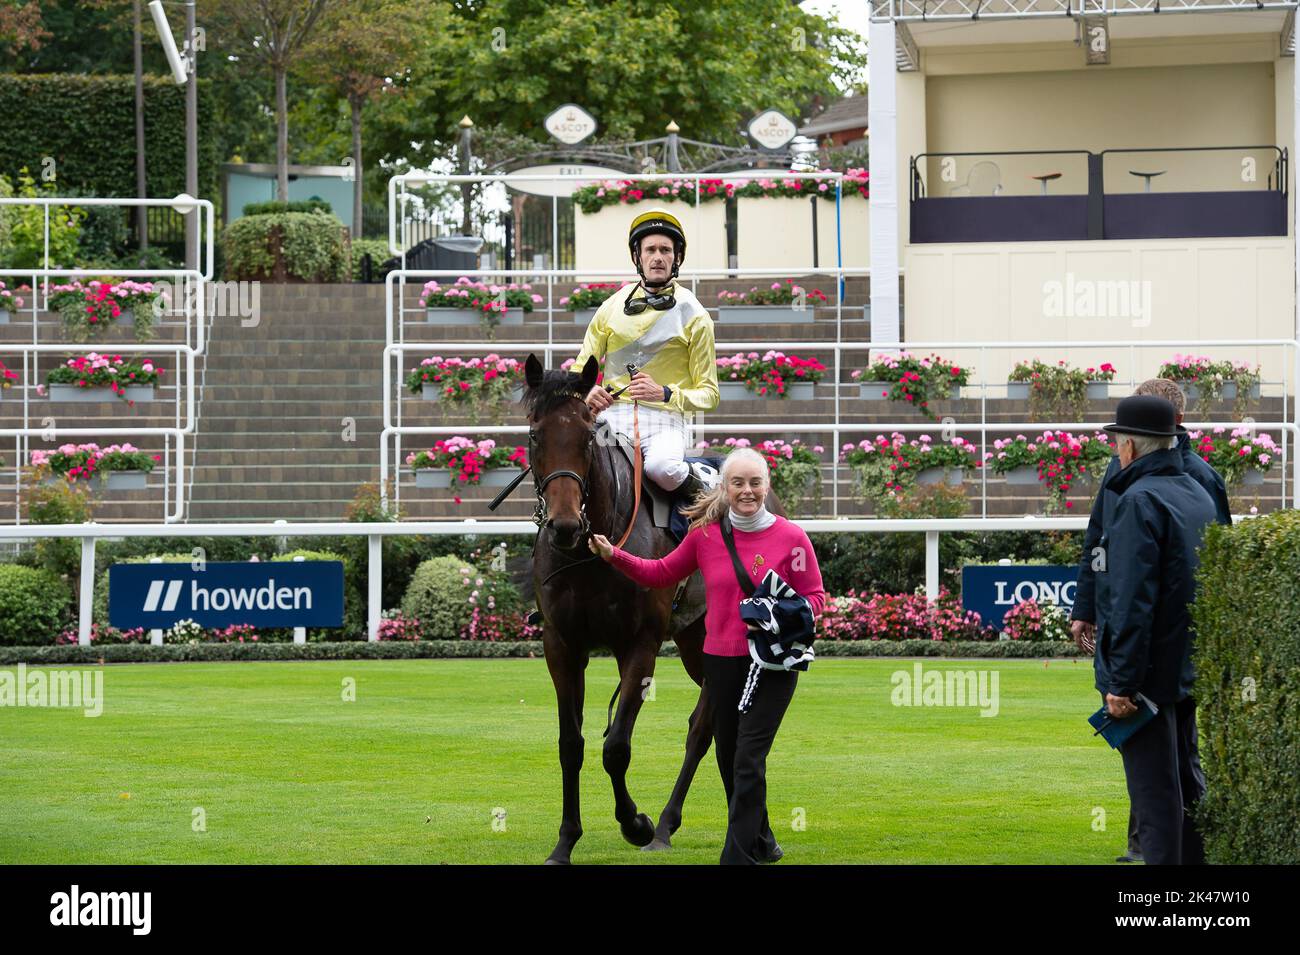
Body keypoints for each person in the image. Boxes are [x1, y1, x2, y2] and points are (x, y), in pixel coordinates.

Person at [587, 447, 826, 864]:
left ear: (766, 487)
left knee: (749, 758)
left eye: (755, 483)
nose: (747, 491)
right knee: (730, 760)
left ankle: (736, 858)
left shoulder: (793, 538)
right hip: (720, 661)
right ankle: (763, 842)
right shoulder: (704, 536)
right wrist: (615, 556)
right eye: (738, 483)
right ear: (725, 487)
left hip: (771, 663)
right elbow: (660, 572)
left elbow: (815, 598)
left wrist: (779, 614)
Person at [1072, 378, 1229, 863]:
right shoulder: (1196, 490)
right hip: (1185, 667)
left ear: (1131, 444)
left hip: (1147, 677)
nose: (1116, 450)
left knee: (1155, 798)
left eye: (1119, 441)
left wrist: (1121, 683)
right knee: (1183, 785)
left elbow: (1131, 600)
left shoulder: (1140, 500)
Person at [574, 208, 719, 504]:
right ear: (637, 257)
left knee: (662, 469)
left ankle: (709, 483)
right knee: (571, 459)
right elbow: (580, 370)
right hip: (611, 419)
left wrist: (664, 393)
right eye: (650, 249)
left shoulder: (696, 315)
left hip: (665, 420)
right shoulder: (610, 308)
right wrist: (588, 391)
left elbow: (710, 394)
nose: (658, 257)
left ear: (676, 258)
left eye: (665, 250)